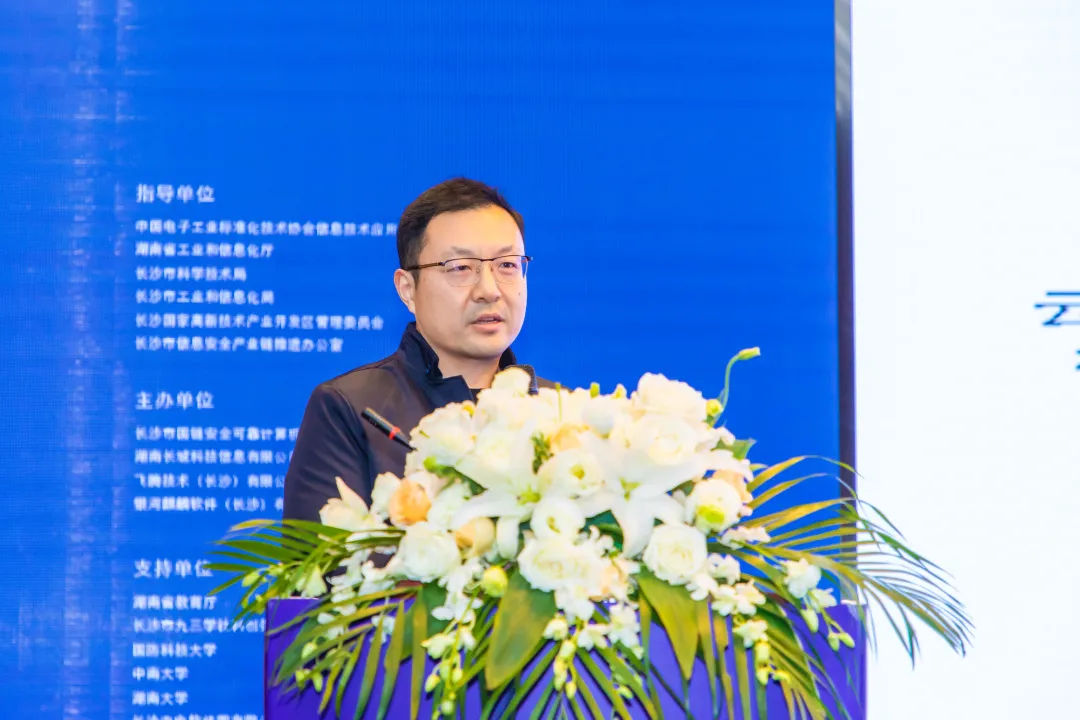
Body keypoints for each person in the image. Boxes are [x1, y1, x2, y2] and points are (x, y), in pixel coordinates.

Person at [282, 177, 553, 523]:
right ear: (408, 289)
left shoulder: (563, 413)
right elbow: (320, 554)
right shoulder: (351, 409)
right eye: (461, 268)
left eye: (507, 265)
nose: (489, 290)